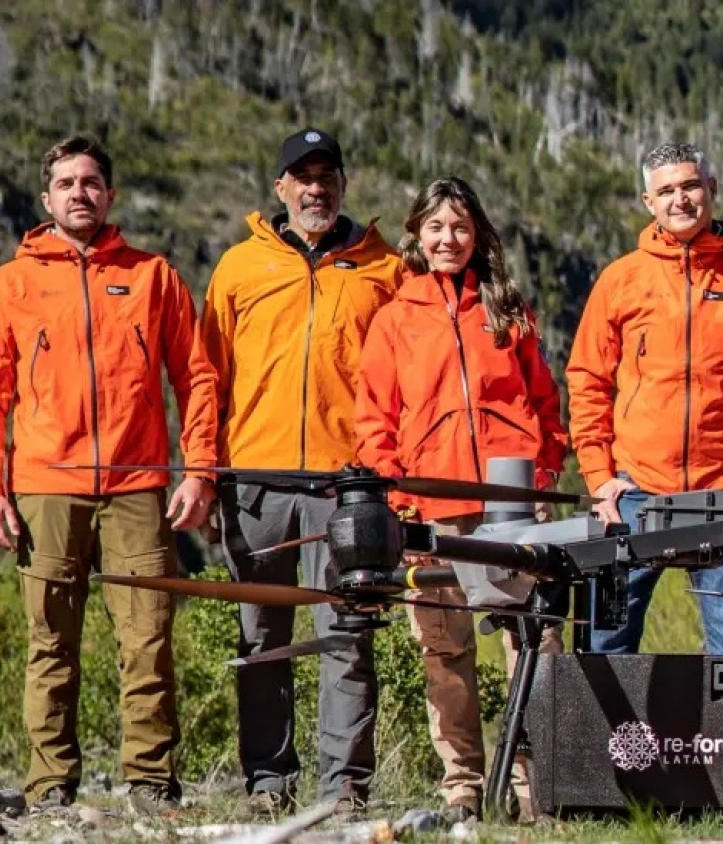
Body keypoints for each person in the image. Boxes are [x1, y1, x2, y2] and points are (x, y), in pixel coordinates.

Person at [0, 135, 218, 812]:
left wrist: (199, 471)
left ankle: (150, 781)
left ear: (111, 196)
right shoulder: (11, 285)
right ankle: (50, 785)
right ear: (47, 200)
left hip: (138, 487)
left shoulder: (153, 275)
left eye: (92, 182)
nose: (80, 192)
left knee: (149, 639)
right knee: (50, 642)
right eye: (67, 183)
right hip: (46, 487)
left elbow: (195, 378)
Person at [199, 128, 400, 815]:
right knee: (262, 637)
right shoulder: (236, 269)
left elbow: (405, 380)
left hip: (349, 486)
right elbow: (208, 378)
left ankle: (343, 787)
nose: (316, 187)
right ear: (280, 188)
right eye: (301, 176)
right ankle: (267, 782)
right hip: (255, 480)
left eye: (328, 174)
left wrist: (392, 477)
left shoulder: (386, 269)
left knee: (346, 633)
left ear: (344, 184)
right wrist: (202, 470)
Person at [354, 176, 568, 821]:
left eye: (462, 228)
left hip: (509, 508)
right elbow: (374, 423)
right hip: (430, 508)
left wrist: (541, 481)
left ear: (477, 236)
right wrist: (399, 497)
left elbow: (545, 405)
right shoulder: (394, 319)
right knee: (445, 653)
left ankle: (534, 786)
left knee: (532, 645)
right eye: (438, 228)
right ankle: (464, 786)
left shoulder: (505, 309)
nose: (450, 239)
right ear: (417, 235)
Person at [567, 141, 723, 655]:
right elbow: (587, 380)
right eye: (667, 190)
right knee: (603, 652)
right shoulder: (620, 279)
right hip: (631, 496)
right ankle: (612, 740)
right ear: (647, 202)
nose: (681, 199)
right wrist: (599, 478)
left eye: (691, 186)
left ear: (712, 190)